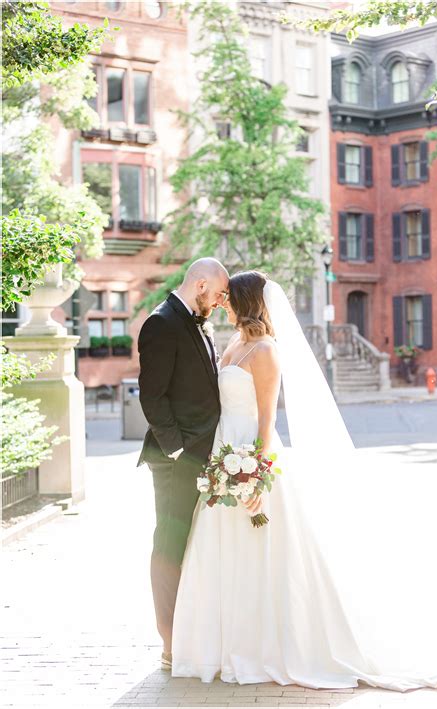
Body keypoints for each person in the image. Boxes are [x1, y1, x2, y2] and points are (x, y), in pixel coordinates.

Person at [171, 270, 437, 691]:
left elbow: (267, 420)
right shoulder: (235, 342)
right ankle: (225, 646)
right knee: (224, 550)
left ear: (247, 301)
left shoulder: (266, 351)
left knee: (265, 555)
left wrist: (254, 476)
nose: (222, 303)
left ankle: (274, 648)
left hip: (252, 457)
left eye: (229, 298)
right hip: (224, 450)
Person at [137, 257, 229, 669]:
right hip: (176, 460)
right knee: (169, 545)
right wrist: (176, 451)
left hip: (204, 456)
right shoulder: (161, 323)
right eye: (219, 294)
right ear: (201, 285)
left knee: (194, 544)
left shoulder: (193, 321)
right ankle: (170, 643)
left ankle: (192, 633)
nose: (220, 301)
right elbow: (152, 397)